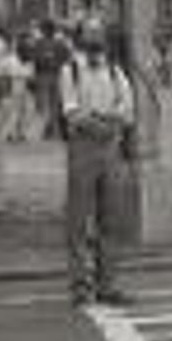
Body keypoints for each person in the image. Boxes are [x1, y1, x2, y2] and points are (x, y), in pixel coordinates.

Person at [58, 16, 136, 307]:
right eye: (90, 34)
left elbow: (128, 108)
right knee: (78, 218)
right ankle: (80, 284)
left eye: (99, 34)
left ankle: (108, 283)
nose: (95, 40)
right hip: (83, 146)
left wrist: (112, 123)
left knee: (111, 218)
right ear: (81, 38)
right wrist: (98, 124)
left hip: (111, 147)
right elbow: (71, 109)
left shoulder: (115, 71)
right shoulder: (71, 70)